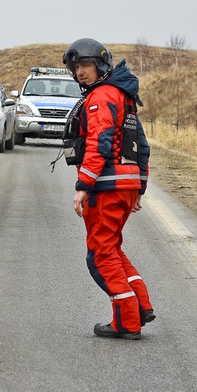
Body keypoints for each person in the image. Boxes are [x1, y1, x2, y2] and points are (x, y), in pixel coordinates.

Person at [62, 38, 154, 340]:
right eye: (76, 68)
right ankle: (140, 303)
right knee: (112, 249)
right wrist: (139, 185)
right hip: (124, 186)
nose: (80, 73)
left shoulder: (101, 97)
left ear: (100, 66)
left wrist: (83, 186)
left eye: (86, 66)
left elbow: (98, 143)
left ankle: (127, 322)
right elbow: (142, 146)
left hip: (107, 187)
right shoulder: (124, 96)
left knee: (100, 256)